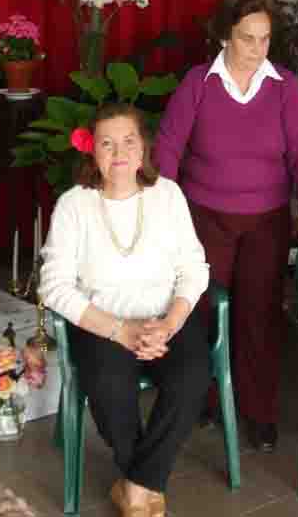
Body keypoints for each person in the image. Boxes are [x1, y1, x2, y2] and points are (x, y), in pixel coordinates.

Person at [155, 0, 298, 452]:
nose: (256, 49)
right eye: (248, 38)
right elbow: (168, 148)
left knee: (258, 314)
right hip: (205, 216)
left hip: (266, 219)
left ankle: (258, 412)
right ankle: (203, 400)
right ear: (225, 37)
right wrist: (162, 213)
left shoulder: (284, 87)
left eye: (265, 39)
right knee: (201, 310)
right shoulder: (197, 83)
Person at [40, 104, 210, 517]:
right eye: (107, 143)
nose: (119, 152)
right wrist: (119, 330)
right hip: (103, 324)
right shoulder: (73, 205)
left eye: (128, 141)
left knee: (191, 377)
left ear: (143, 148)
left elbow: (194, 268)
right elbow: (54, 286)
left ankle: (135, 485)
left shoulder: (167, 195)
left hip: (165, 318)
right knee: (108, 384)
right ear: (92, 152)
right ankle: (145, 483)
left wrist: (169, 323)